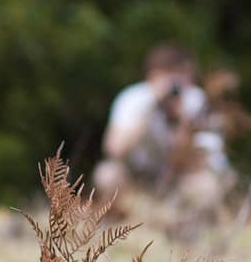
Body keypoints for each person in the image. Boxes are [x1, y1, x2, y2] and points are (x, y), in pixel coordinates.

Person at [94, 43, 232, 210]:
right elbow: (114, 149)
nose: (179, 86)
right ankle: (120, 217)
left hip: (178, 179)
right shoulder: (133, 99)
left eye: (185, 78)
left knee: (206, 187)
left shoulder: (196, 101)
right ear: (153, 76)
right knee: (107, 174)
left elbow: (201, 161)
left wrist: (182, 122)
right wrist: (151, 106)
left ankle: (185, 225)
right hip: (136, 177)